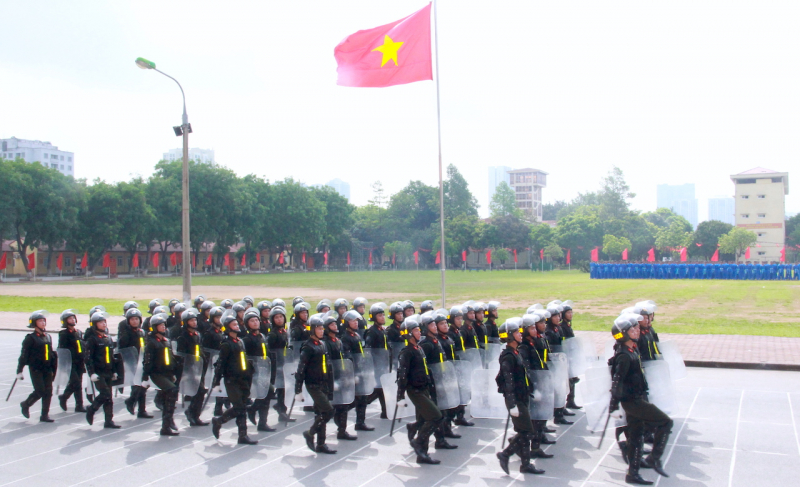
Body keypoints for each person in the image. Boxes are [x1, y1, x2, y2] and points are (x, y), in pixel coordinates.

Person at [609, 315, 673, 485]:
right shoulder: (623, 355)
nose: (637, 330)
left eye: (636, 328)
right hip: (632, 401)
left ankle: (633, 473)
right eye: (632, 329)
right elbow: (617, 380)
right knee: (665, 422)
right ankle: (653, 458)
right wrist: (614, 403)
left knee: (636, 437)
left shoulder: (632, 350)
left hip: (636, 398)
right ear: (623, 334)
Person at [495, 319, 545, 475]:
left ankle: (526, 464)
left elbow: (523, 375)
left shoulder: (516, 353)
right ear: (510, 336)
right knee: (528, 432)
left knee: (524, 432)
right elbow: (508, 382)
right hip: (515, 399)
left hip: (522, 396)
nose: (520, 334)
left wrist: (531, 390)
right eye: (516, 332)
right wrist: (512, 405)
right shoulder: (508, 356)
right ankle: (505, 454)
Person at [396, 316, 442, 465]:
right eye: (415, 330)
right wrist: (400, 396)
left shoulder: (419, 348)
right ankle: (418, 442)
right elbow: (402, 375)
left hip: (424, 388)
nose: (419, 332)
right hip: (415, 391)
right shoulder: (406, 352)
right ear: (408, 333)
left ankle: (423, 454)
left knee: (423, 420)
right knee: (436, 416)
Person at [210, 314, 258, 445]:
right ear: (228, 328)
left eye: (237, 324)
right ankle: (234, 430)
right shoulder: (226, 344)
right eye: (234, 324)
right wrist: (217, 380)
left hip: (243, 378)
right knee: (240, 408)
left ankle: (229, 427)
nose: (237, 326)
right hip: (232, 380)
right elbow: (220, 364)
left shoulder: (240, 341)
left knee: (241, 407)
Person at [294, 314, 337, 454]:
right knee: (328, 411)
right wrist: (298, 389)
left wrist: (330, 385)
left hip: (323, 383)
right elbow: (301, 369)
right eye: (318, 328)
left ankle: (321, 444)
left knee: (320, 412)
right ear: (312, 330)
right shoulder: (308, 347)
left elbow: (327, 366)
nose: (321, 331)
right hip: (313, 384)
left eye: (322, 328)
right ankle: (310, 433)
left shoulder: (322, 344)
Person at [416, 312, 458, 450]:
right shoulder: (426, 344)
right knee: (437, 414)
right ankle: (427, 441)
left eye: (435, 324)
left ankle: (439, 440)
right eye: (432, 325)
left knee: (442, 412)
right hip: (432, 383)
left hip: (440, 381)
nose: (435, 327)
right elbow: (423, 364)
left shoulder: (436, 341)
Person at [518, 313, 555, 459]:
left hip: (542, 381)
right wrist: (533, 387)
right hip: (534, 385)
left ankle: (536, 443)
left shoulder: (535, 342)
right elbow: (526, 368)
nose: (535, 330)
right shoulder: (524, 347)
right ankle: (529, 446)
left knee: (540, 417)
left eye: (535, 327)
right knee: (535, 418)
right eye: (532, 328)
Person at [141, 313, 180, 436]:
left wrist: (173, 372)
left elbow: (170, 358)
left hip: (167, 373)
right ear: (154, 327)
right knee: (172, 390)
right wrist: (145, 377)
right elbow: (147, 361)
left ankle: (166, 426)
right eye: (160, 325)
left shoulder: (166, 341)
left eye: (163, 324)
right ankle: (167, 423)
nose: (163, 327)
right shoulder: (151, 343)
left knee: (167, 398)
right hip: (156, 373)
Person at [17, 310, 57, 422]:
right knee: (40, 391)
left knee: (48, 392)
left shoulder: (48, 337)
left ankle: (44, 415)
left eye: (44, 320)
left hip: (47, 368)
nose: (43, 322)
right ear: (34, 323)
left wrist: (54, 368)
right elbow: (24, 355)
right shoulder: (30, 338)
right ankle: (26, 404)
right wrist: (19, 370)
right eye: (40, 320)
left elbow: (51, 354)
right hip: (36, 368)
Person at [322, 313, 357, 441]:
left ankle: (342, 430)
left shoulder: (338, 341)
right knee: (328, 408)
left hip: (342, 376)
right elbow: (329, 361)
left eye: (335, 323)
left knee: (344, 404)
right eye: (331, 324)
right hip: (332, 378)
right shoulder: (326, 343)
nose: (334, 326)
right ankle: (319, 432)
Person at [339, 309, 374, 432]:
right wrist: (352, 372)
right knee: (350, 399)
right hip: (353, 372)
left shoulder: (357, 335)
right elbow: (347, 355)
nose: (356, 323)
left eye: (356, 321)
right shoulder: (345, 338)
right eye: (352, 321)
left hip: (360, 370)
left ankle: (360, 422)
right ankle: (339, 421)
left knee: (363, 398)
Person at [242, 308, 276, 432]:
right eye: (252, 321)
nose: (256, 322)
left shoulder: (262, 336)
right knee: (267, 393)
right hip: (254, 373)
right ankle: (254, 412)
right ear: (247, 324)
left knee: (267, 395)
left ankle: (260, 420)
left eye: (257, 320)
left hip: (264, 371)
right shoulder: (246, 340)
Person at [84, 312, 120, 428]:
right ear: (94, 324)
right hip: (98, 372)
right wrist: (92, 373)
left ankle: (109, 420)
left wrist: (114, 370)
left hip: (108, 371)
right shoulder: (92, 340)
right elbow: (88, 358)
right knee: (105, 393)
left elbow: (112, 357)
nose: (103, 324)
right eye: (100, 322)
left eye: (104, 322)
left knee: (109, 398)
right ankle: (92, 409)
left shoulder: (108, 338)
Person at [175, 308, 209, 427]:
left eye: (195, 320)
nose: (194, 322)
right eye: (191, 321)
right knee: (198, 391)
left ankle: (195, 414)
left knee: (200, 392)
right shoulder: (183, 337)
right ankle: (191, 412)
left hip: (199, 367)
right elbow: (181, 355)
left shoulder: (197, 335)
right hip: (190, 369)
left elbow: (200, 349)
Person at [118, 308, 153, 419]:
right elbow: (123, 350)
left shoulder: (142, 332)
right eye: (132, 319)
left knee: (142, 385)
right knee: (137, 386)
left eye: (137, 319)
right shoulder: (126, 334)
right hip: (131, 364)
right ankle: (135, 404)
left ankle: (138, 407)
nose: (135, 321)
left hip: (141, 362)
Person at [545, 303, 573, 425]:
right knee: (556, 388)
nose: (558, 318)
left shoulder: (558, 329)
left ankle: (561, 409)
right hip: (554, 363)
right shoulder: (548, 331)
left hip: (561, 361)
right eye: (555, 316)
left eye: (558, 316)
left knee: (562, 387)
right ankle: (557, 414)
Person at [266, 306, 294, 423]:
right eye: (276, 317)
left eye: (281, 317)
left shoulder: (283, 331)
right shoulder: (272, 334)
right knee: (279, 388)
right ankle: (281, 410)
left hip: (284, 363)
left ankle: (281, 408)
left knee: (284, 388)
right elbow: (271, 350)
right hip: (276, 365)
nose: (279, 319)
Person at [447, 306, 473, 427]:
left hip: (461, 364)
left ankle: (460, 416)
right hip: (454, 366)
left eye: (461, 318)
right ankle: (450, 419)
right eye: (457, 318)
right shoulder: (450, 333)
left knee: (463, 390)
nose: (460, 321)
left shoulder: (458, 331)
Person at [57, 309, 86, 413]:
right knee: (76, 382)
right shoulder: (63, 334)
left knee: (78, 383)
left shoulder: (78, 332)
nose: (72, 320)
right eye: (70, 318)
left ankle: (75, 403)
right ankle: (68, 399)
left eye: (73, 318)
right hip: (69, 363)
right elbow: (62, 350)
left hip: (79, 361)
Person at [201, 306, 229, 416]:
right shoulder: (209, 333)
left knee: (223, 384)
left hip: (222, 361)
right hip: (213, 362)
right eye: (217, 317)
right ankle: (218, 407)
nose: (219, 319)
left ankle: (222, 404)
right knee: (217, 384)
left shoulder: (222, 331)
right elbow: (206, 349)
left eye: (221, 317)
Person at [364, 302, 389, 419]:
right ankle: (362, 403)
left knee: (381, 388)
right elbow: (368, 348)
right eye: (379, 315)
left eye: (383, 315)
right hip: (376, 365)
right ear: (373, 317)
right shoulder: (372, 331)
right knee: (379, 388)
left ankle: (384, 411)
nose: (382, 317)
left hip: (383, 364)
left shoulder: (382, 330)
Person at [560, 300, 582, 411]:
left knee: (572, 379)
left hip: (571, 356)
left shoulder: (567, 326)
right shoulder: (562, 327)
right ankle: (566, 402)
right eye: (568, 313)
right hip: (566, 356)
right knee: (568, 381)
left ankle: (571, 400)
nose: (570, 315)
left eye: (571, 312)